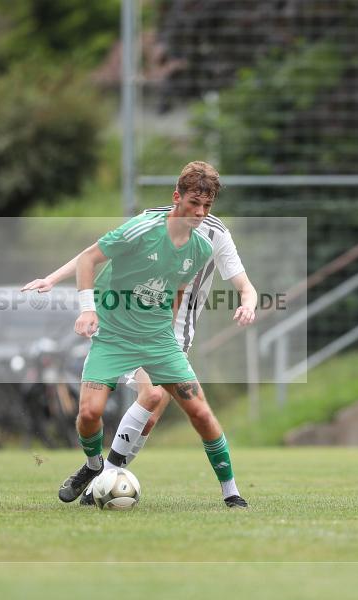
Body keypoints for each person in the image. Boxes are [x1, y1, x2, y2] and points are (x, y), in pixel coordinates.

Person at [24, 161, 253, 508]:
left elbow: (187, 289)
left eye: (207, 205)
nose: (200, 212)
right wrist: (64, 288)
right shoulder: (146, 224)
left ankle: (230, 493)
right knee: (99, 411)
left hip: (164, 336)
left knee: (167, 403)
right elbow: (91, 256)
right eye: (194, 202)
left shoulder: (209, 240)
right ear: (177, 197)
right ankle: (98, 469)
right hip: (116, 330)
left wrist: (244, 304)